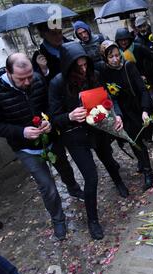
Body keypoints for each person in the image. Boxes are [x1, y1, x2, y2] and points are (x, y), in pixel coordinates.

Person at [48, 42, 130, 240]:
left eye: (86, 65)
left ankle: (118, 181)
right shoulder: (57, 83)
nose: (83, 70)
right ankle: (92, 220)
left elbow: (107, 97)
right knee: (91, 177)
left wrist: (115, 114)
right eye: (79, 67)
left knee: (109, 160)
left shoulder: (95, 75)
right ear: (69, 66)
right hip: (74, 136)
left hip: (98, 128)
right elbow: (54, 118)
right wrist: (69, 116)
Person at [0, 53, 67, 240]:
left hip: (50, 138)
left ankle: (74, 188)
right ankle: (58, 219)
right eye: (22, 79)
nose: (28, 82)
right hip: (25, 148)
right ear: (8, 72)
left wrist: (49, 121)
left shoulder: (37, 79)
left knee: (65, 168)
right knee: (48, 187)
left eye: (30, 76)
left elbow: (50, 105)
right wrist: (21, 132)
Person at [30, 23, 84, 200]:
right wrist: (44, 70)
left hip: (75, 99)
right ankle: (72, 185)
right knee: (60, 154)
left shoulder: (68, 46)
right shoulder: (39, 57)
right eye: (54, 34)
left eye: (60, 32)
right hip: (55, 109)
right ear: (44, 35)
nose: (59, 36)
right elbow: (37, 86)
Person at [99, 40, 153, 191]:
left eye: (117, 55)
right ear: (105, 58)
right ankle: (143, 163)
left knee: (138, 141)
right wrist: (116, 114)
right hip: (122, 113)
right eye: (111, 57)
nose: (116, 59)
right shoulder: (104, 72)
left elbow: (142, 90)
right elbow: (110, 97)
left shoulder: (129, 66)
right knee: (132, 141)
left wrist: (145, 109)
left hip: (136, 108)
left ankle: (148, 172)